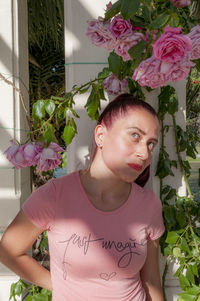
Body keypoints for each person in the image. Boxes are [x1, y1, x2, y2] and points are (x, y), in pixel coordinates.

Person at [0, 93, 165, 301]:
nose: (144, 153)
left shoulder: (149, 205)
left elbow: (151, 281)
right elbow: (8, 251)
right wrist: (60, 286)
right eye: (135, 136)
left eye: (151, 144)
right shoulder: (55, 196)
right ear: (101, 135)